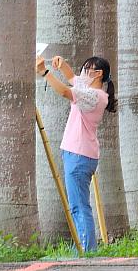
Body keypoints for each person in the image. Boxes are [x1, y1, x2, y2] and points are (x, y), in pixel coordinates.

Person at [35, 54, 116, 253]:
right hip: (80, 153)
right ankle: (81, 247)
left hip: (79, 154)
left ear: (99, 74)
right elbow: (73, 79)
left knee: (79, 206)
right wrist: (62, 66)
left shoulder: (93, 96)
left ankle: (87, 250)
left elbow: (65, 91)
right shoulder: (93, 92)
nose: (83, 73)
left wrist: (45, 72)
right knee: (78, 205)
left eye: (87, 69)